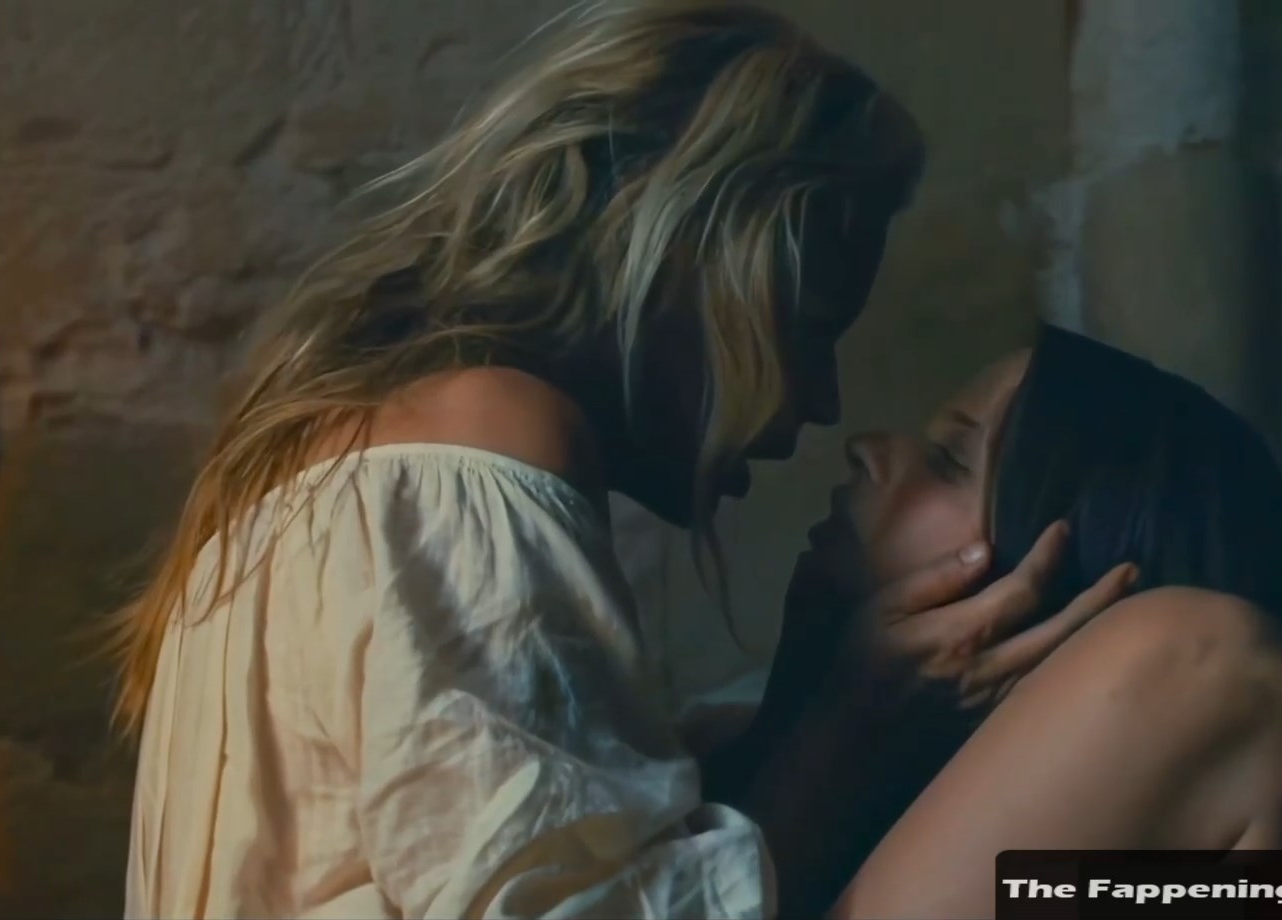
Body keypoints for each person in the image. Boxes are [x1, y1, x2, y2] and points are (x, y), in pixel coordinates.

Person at [112, 4, 1131, 918]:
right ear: (690, 257)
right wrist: (851, 732)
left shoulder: (357, 457)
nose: (822, 406)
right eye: (807, 326)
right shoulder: (479, 438)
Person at [749, 324, 1282, 919]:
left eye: (950, 460)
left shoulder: (1207, 666)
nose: (868, 448)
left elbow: (1213, 666)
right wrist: (834, 734)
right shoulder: (720, 759)